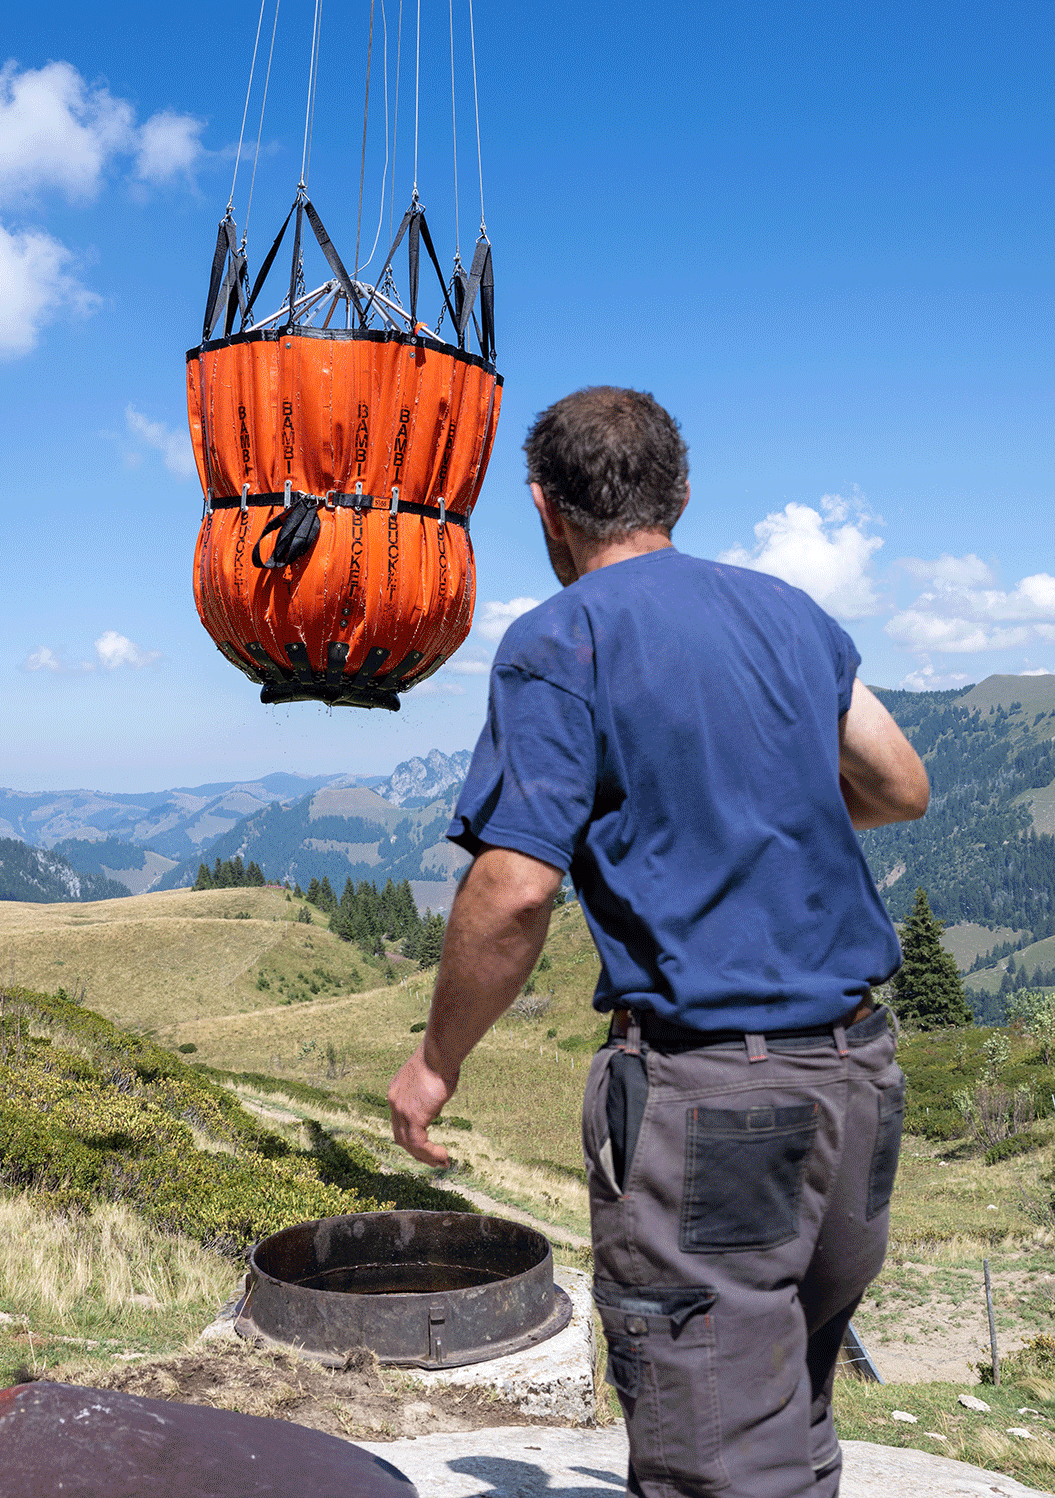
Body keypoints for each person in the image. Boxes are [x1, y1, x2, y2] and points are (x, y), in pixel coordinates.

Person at [387, 388, 929, 1498]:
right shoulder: (790, 614)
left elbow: (514, 888)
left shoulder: (560, 639)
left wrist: (435, 1061)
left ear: (542, 509)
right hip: (857, 1080)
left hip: (712, 1096)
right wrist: (763, 808)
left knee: (714, 1447)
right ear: (679, 494)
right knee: (789, 1406)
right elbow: (897, 783)